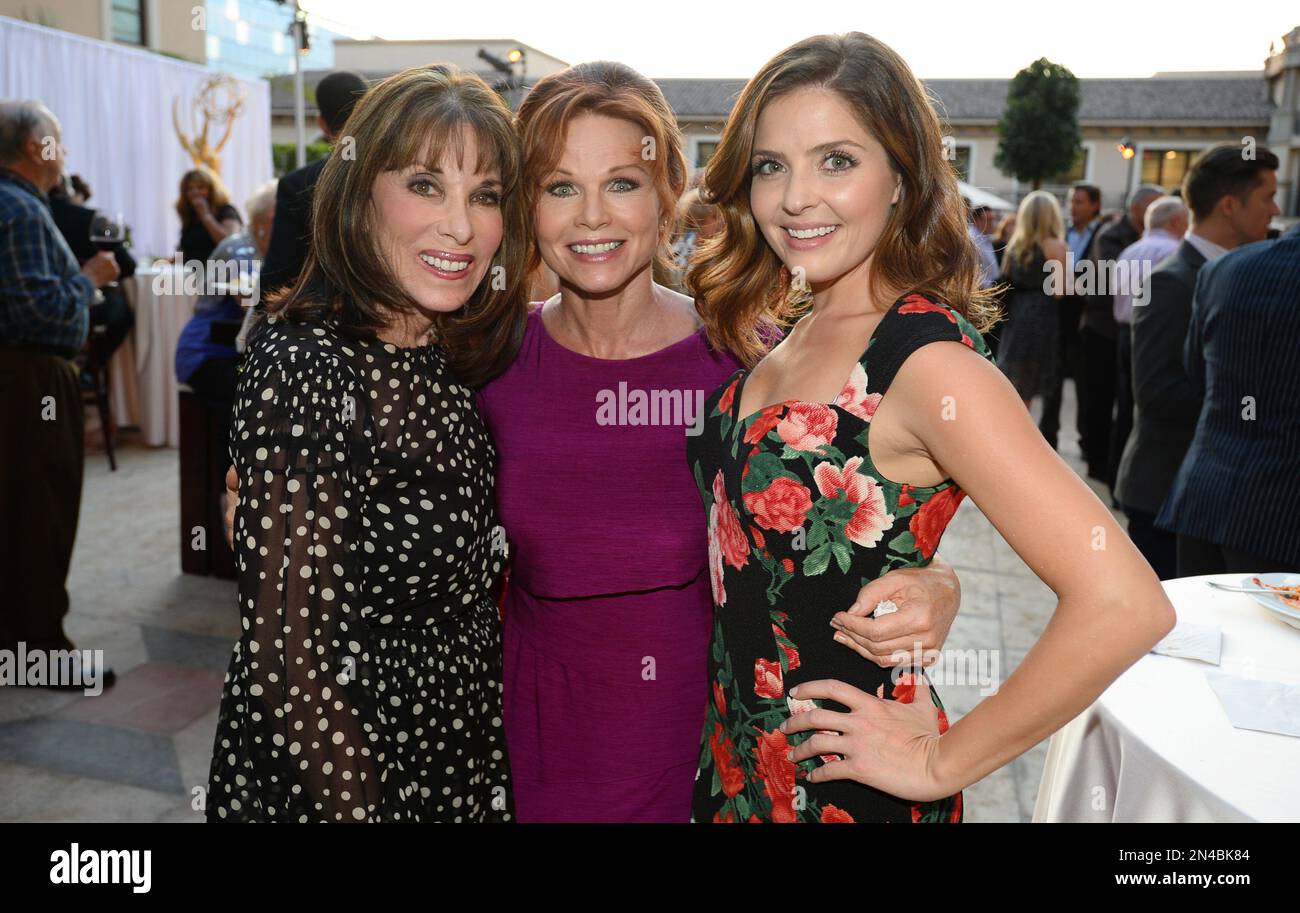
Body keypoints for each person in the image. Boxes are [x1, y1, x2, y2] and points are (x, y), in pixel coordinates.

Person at [686, 32, 1174, 823]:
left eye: (837, 160)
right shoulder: (798, 321)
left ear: (903, 177)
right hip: (739, 763)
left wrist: (940, 759)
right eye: (771, 164)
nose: (795, 196)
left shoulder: (926, 361)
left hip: (843, 788)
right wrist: (935, 578)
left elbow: (1124, 601)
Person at [479, 61, 964, 823]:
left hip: (711, 741)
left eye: (623, 182)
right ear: (524, 205)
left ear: (670, 190)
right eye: (559, 186)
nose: (592, 217)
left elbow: (849, 507)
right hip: (532, 735)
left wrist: (937, 578)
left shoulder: (745, 358)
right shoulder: (487, 362)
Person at [206, 65, 526, 822]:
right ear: (359, 196)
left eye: (484, 195)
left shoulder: (450, 354)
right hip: (343, 770)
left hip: (451, 746)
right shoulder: (306, 366)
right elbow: (288, 667)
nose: (460, 225)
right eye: (424, 184)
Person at [1115, 144, 1280, 579]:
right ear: (1229, 205)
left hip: (1214, 499)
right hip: (1168, 493)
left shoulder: (1244, 274)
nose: (1276, 209)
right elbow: (1156, 393)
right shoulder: (1171, 281)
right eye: (1267, 197)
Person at [0, 99, 118, 686]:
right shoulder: (18, 210)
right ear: (32, 148)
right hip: (30, 381)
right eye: (58, 139)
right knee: (39, 511)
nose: (64, 152)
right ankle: (36, 650)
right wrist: (90, 278)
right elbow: (40, 313)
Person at [1157, 228, 1298, 575]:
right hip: (1283, 516)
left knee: (1203, 627)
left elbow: (1197, 372)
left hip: (1206, 494)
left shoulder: (1225, 267)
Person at [1077, 184, 1164, 486]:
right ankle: (1097, 460)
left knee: (1121, 400)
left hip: (1125, 330)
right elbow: (1114, 283)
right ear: (1138, 209)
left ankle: (1109, 462)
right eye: (1154, 206)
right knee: (1100, 397)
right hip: (1103, 328)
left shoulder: (1136, 238)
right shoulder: (1112, 236)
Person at [258, 71, 368, 297]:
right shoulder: (397, 173)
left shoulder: (297, 185)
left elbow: (277, 278)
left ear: (322, 124)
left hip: (323, 317)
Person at [1108, 195, 1186, 512]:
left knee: (1124, 408)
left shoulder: (1130, 250)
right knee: (1146, 413)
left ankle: (1118, 482)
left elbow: (1115, 292)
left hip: (1125, 335)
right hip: (1152, 337)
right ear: (1176, 222)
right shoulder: (1173, 252)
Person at [1039, 182, 1103, 452]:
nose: (1073, 207)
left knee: (1084, 382)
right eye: (1071, 201)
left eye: (1079, 202)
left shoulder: (1100, 233)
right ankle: (1048, 433)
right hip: (1057, 315)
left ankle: (1087, 437)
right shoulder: (1060, 233)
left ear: (1094, 205)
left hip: (1085, 317)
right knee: (1053, 377)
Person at [48, 173, 137, 359]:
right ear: (71, 192)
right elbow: (128, 266)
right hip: (86, 304)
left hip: (44, 317)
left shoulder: (37, 213)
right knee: (123, 317)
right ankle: (93, 365)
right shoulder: (92, 219)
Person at [995, 190, 1068, 409]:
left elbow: (1004, 281)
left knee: (1014, 383)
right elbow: (1059, 291)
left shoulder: (1015, 245)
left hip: (1017, 315)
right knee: (1030, 386)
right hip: (1042, 316)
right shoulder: (1057, 247)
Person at [175, 166, 242, 265]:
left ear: (212, 190)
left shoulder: (226, 211)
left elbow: (228, 243)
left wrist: (206, 215)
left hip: (221, 274)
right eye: (190, 188)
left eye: (200, 187)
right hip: (193, 275)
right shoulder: (191, 215)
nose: (195, 192)